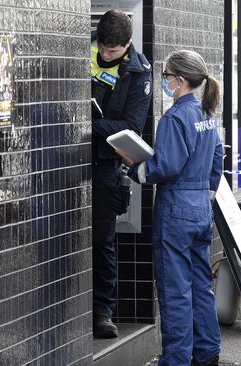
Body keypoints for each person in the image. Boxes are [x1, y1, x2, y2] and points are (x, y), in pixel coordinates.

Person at [115, 50, 224, 366]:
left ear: (179, 79)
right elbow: (217, 158)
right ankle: (207, 351)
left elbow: (165, 167)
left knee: (176, 289)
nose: (163, 80)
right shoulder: (206, 115)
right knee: (201, 284)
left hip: (176, 207)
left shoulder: (175, 118)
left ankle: (176, 358)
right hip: (201, 205)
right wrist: (207, 193)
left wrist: (133, 168)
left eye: (166, 75)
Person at [89, 9, 153, 338]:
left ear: (127, 44)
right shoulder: (85, 50)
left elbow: (131, 126)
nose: (104, 54)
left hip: (105, 166)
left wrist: (89, 125)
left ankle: (102, 311)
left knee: (102, 241)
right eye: (102, 47)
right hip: (69, 159)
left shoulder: (138, 72)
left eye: (112, 51)